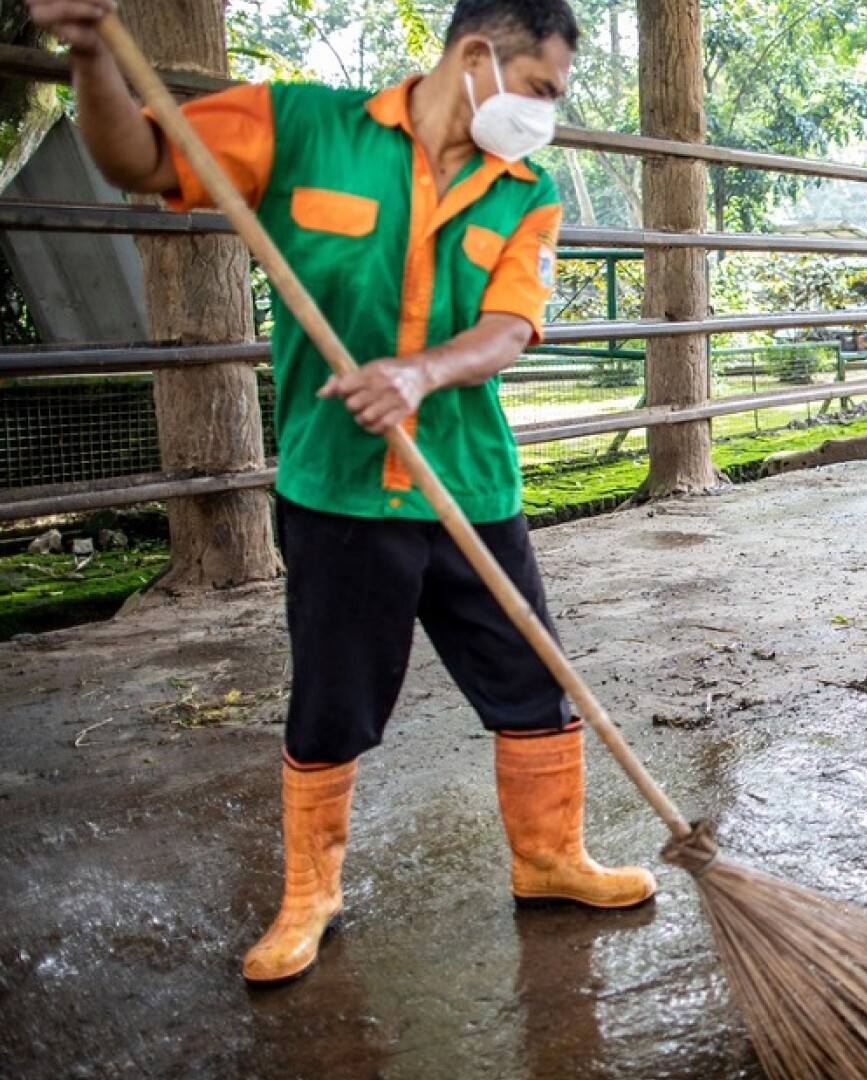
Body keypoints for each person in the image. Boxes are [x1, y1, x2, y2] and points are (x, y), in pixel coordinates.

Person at [28, 0, 655, 987]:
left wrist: (418, 374)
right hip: (342, 492)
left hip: (469, 481)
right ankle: (309, 894)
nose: (545, 114)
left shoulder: (523, 191)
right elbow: (139, 161)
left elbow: (511, 326)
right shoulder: (303, 127)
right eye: (541, 90)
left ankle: (548, 860)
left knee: (535, 684)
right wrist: (96, 52)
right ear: (479, 56)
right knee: (335, 699)